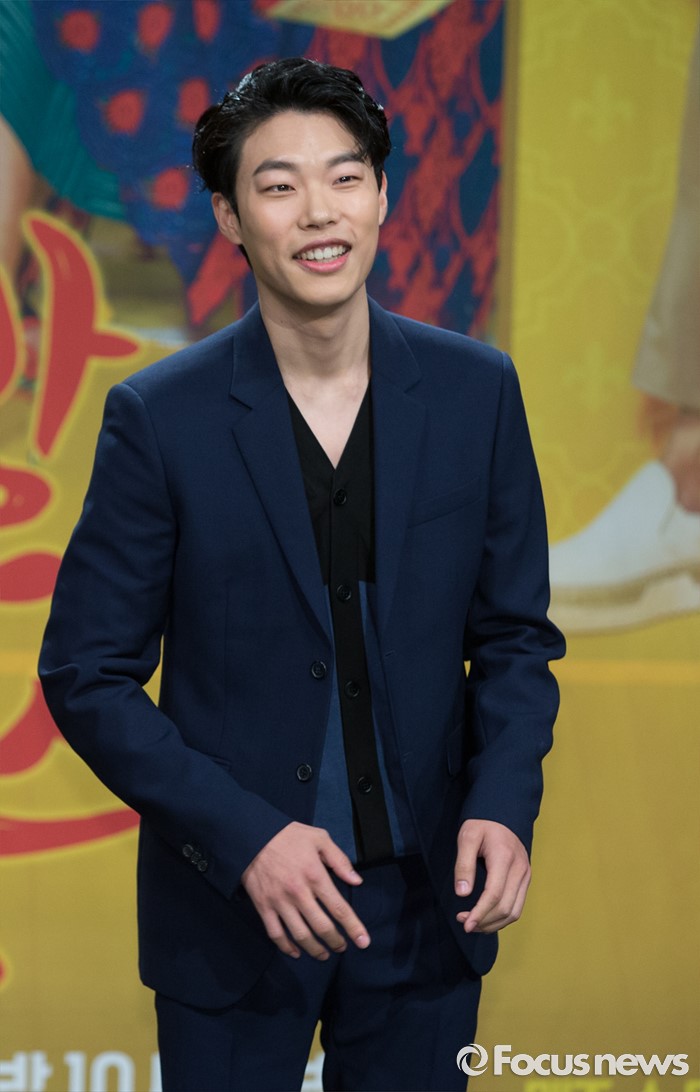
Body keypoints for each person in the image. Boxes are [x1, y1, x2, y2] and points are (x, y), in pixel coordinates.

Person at [39, 58, 564, 1092]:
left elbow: (514, 636)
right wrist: (246, 840)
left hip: (427, 908)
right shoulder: (161, 418)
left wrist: (503, 804)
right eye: (278, 186)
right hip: (235, 910)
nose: (320, 212)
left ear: (382, 195)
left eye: (345, 176)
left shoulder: (476, 392)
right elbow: (86, 675)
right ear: (230, 217)